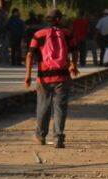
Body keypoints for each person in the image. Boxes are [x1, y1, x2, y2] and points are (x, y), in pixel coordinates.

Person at [25, 9, 79, 149]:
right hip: (62, 76)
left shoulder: (38, 34)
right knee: (60, 107)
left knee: (43, 106)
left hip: (43, 78)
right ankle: (58, 138)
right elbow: (75, 50)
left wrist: (28, 75)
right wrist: (73, 65)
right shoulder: (67, 33)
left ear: (47, 20)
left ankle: (40, 136)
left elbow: (30, 55)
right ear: (59, 19)